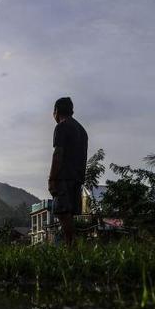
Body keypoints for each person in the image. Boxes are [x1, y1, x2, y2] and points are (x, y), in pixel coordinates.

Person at [48, 97, 88, 247]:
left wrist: (52, 178)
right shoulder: (81, 130)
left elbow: (58, 153)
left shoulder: (62, 126)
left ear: (56, 111)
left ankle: (71, 247)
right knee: (69, 213)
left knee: (63, 212)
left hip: (64, 177)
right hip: (77, 177)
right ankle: (70, 246)